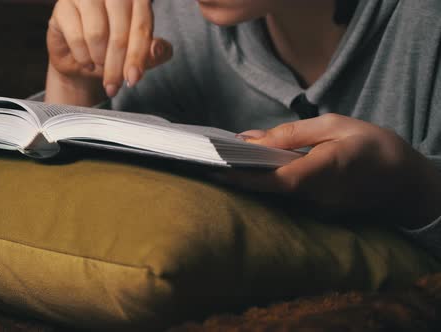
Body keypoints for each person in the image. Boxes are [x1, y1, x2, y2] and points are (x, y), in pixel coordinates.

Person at [43, 0, 441, 255]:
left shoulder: (425, 27)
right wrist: (75, 85)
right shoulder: (173, 24)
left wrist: (412, 186)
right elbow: (78, 224)